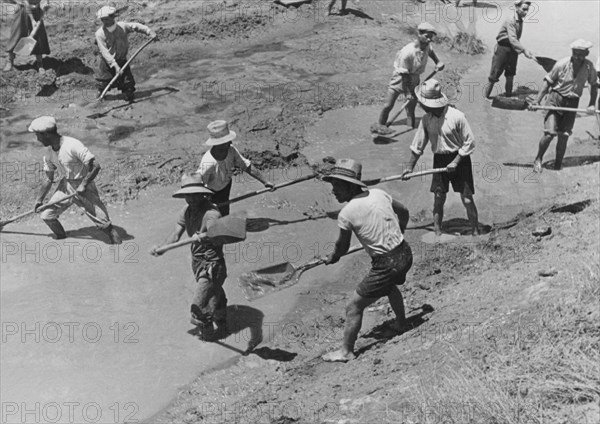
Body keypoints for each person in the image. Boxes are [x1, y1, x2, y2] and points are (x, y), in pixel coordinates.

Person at [320, 159, 413, 362]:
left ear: (350, 185)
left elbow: (342, 248)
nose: (333, 191)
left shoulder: (346, 213)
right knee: (389, 288)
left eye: (337, 186)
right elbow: (404, 211)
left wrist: (333, 258)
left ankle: (346, 351)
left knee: (353, 306)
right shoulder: (379, 193)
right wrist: (401, 230)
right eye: (332, 186)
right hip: (405, 252)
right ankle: (401, 323)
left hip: (386, 264)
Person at [150, 174, 227, 341]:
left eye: (194, 195)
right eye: (187, 195)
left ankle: (209, 339)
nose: (191, 199)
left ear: (203, 194)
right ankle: (222, 315)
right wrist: (162, 247)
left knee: (197, 309)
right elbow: (176, 234)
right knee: (214, 294)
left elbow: (219, 236)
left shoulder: (212, 213)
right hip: (197, 262)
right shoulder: (186, 211)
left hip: (213, 264)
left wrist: (204, 235)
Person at [401, 79, 479, 236]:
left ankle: (475, 231)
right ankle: (437, 232)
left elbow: (470, 142)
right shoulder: (426, 120)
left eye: (422, 102)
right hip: (440, 160)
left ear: (430, 103)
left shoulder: (457, 116)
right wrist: (409, 167)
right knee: (438, 197)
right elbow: (418, 146)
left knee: (467, 198)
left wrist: (456, 161)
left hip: (460, 159)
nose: (420, 105)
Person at [29, 116, 122, 244]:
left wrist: (83, 185)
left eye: (38, 135)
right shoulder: (48, 152)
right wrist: (39, 199)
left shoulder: (72, 145)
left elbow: (95, 166)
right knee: (47, 215)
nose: (37, 139)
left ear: (46, 134)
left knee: (104, 225)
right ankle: (61, 238)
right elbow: (48, 178)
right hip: (66, 185)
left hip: (84, 185)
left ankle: (117, 246)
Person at [532, 40, 598, 173]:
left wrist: (591, 104)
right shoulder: (562, 64)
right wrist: (537, 101)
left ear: (587, 53)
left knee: (564, 136)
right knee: (550, 134)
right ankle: (538, 159)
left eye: (581, 54)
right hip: (556, 100)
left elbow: (594, 85)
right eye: (575, 53)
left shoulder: (589, 67)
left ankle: (558, 164)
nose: (577, 57)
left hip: (573, 103)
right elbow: (547, 82)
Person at [197, 120, 274, 216]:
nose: (230, 142)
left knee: (224, 213)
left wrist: (265, 181)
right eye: (227, 140)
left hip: (225, 186)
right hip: (211, 193)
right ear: (219, 143)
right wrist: (203, 202)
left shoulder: (231, 150)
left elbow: (246, 166)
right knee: (212, 217)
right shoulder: (208, 162)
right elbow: (199, 185)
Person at [378, 22, 445, 129]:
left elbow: (431, 51)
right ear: (419, 34)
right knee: (388, 106)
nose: (429, 40)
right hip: (399, 79)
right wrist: (408, 92)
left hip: (414, 78)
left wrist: (438, 62)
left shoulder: (427, 46)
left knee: (410, 109)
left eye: (431, 38)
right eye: (426, 37)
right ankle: (380, 127)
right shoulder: (407, 52)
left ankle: (411, 129)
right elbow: (404, 75)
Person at [95, 6, 157, 102]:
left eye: (106, 19)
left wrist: (149, 31)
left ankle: (129, 95)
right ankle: (100, 95)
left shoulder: (122, 26)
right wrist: (115, 66)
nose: (105, 22)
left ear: (113, 17)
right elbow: (105, 52)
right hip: (107, 63)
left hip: (122, 60)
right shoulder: (100, 33)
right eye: (102, 20)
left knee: (128, 82)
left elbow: (136, 26)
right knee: (104, 82)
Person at [484, 0, 536, 99]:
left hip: (513, 50)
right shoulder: (510, 20)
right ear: (516, 8)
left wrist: (521, 49)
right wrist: (524, 50)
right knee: (494, 75)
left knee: (510, 74)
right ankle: (486, 98)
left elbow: (515, 40)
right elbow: (512, 39)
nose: (526, 12)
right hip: (503, 49)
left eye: (527, 10)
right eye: (524, 9)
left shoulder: (520, 20)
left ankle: (508, 97)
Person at [3, 0, 50, 72]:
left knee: (39, 36)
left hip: (36, 11)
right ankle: (10, 62)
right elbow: (26, 3)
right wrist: (32, 20)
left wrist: (47, 3)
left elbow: (46, 3)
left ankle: (40, 63)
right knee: (16, 35)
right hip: (23, 10)